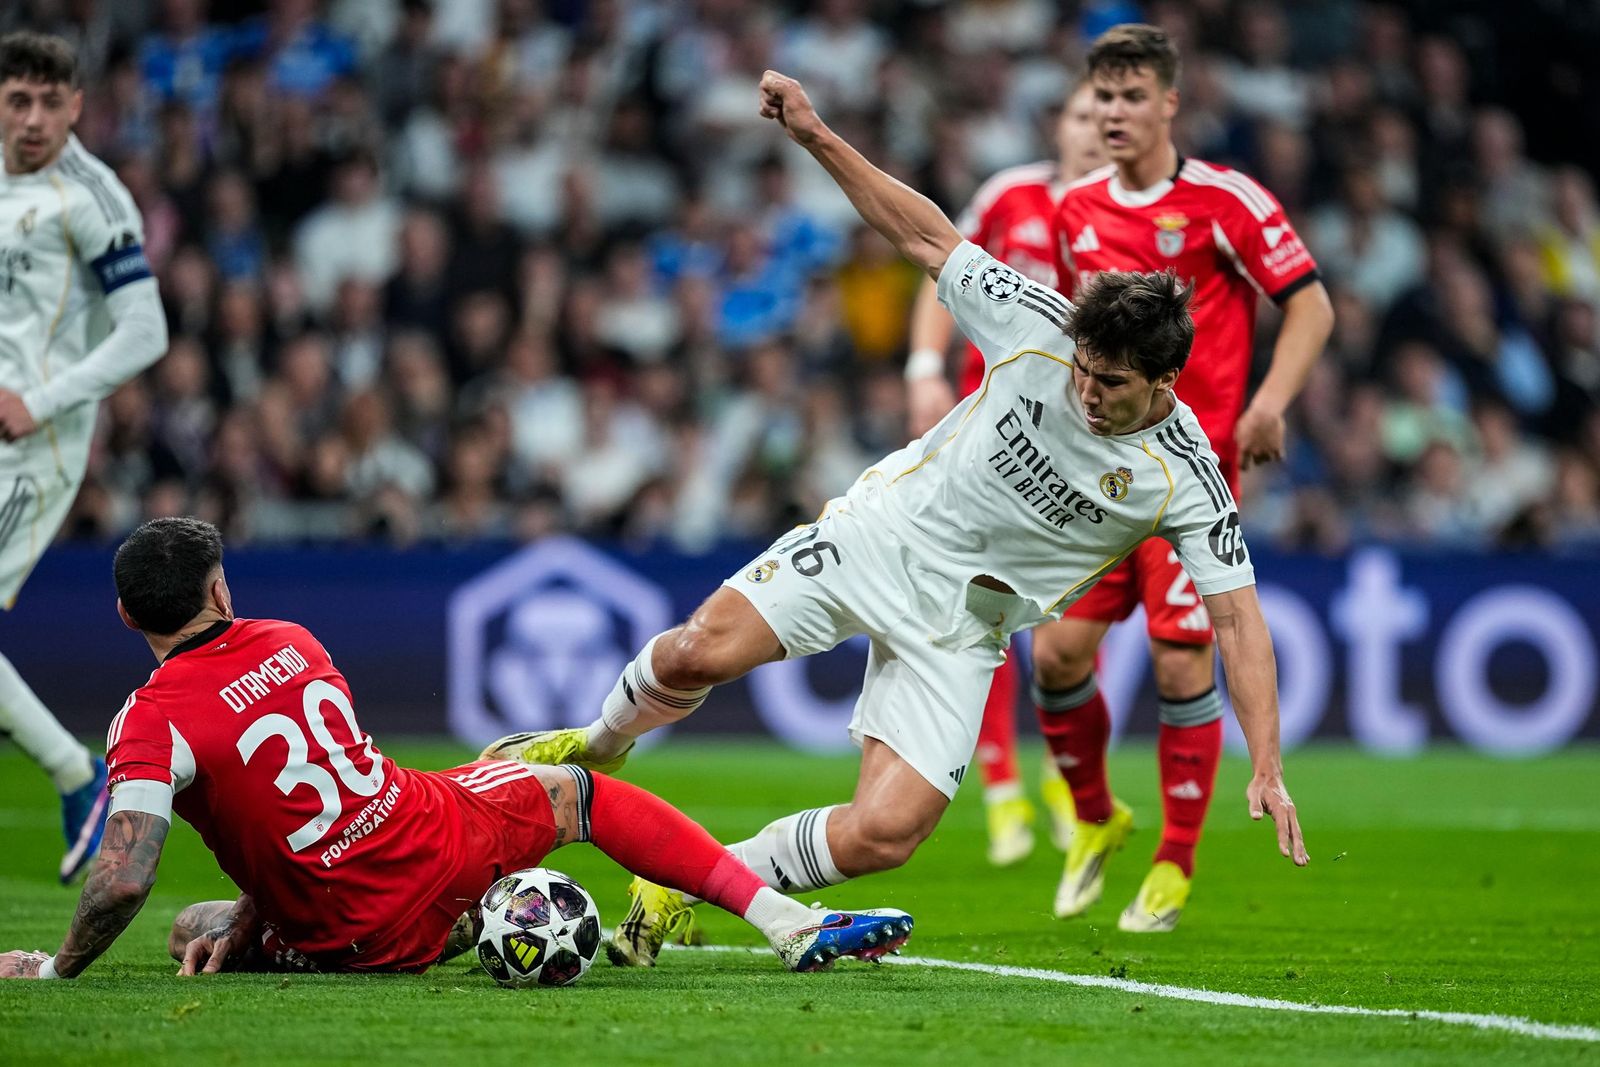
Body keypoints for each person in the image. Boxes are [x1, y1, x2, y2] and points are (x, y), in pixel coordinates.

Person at [494, 69, 1309, 968]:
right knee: (697, 652)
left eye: (1110, 383)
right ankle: (598, 743)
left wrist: (1267, 762)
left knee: (887, 833)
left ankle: (685, 880)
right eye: (1082, 367)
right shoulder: (1038, 324)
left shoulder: (1186, 472)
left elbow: (1239, 620)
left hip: (962, 628)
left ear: (1164, 381)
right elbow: (924, 234)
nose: (1085, 389)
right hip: (878, 539)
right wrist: (814, 132)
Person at [0, 517, 912, 979]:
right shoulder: (289, 640)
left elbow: (124, 876)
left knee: (186, 927)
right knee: (578, 791)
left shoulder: (147, 721)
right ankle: (782, 919)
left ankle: (473, 899)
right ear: (219, 591)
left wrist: (55, 966)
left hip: (353, 929)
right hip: (427, 832)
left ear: (125, 616)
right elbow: (314, 786)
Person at [1039, 24, 1333, 932]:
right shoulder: (1074, 209)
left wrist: (1269, 402)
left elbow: (1312, 305)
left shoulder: (1225, 202)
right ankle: (1096, 815)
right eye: (1103, 97)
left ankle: (1174, 860)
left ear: (1170, 102)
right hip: (1095, 475)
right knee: (1056, 655)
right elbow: (1077, 344)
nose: (1114, 112)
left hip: (1185, 477)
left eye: (1133, 96)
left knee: (1179, 660)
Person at [902, 78, 1106, 867]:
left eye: (1106, 114)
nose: (1094, 127)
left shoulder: (1127, 218)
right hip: (989, 435)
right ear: (1059, 124)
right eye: (1081, 113)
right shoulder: (1007, 195)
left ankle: (1060, 776)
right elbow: (940, 265)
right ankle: (999, 787)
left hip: (1076, 444)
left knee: (1066, 620)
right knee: (977, 603)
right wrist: (925, 365)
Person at [0, 31, 169, 882]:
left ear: (75, 106)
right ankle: (76, 774)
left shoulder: (93, 196)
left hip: (33, 446)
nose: (32, 119)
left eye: (49, 102)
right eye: (16, 100)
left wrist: (42, 399)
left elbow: (146, 329)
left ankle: (79, 775)